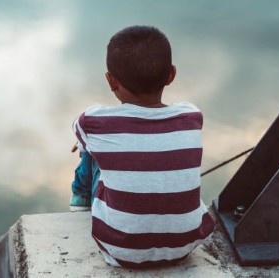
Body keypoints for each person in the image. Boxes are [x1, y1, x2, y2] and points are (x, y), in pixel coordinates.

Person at [69, 26, 215, 268]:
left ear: (110, 80)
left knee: (90, 153)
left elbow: (82, 134)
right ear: (171, 75)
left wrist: (85, 144)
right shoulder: (191, 116)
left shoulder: (93, 121)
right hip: (184, 247)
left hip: (120, 250)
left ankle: (79, 202)